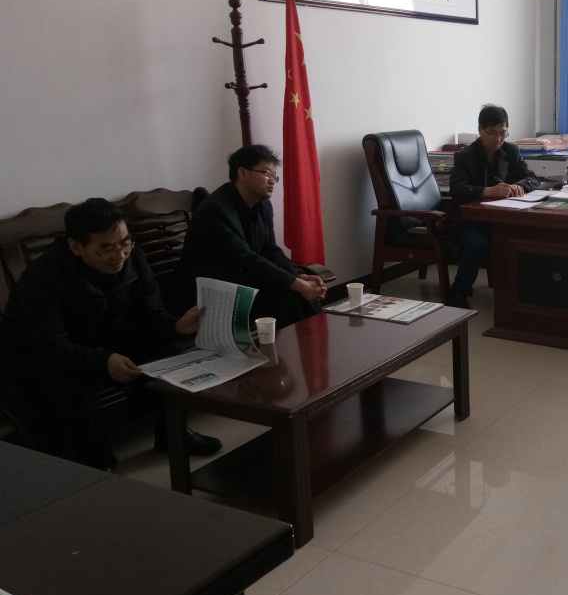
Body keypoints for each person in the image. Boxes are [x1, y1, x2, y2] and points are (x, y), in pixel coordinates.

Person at [0, 198, 221, 470]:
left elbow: (150, 315)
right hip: (35, 355)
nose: (119, 255)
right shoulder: (43, 278)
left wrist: (175, 325)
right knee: (67, 380)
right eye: (106, 248)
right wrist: (103, 360)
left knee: (164, 345)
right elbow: (49, 344)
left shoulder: (133, 259)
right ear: (76, 247)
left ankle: (172, 434)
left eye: (125, 243)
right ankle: (97, 464)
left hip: (97, 336)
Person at [176, 144, 326, 328]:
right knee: (288, 295)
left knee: (291, 293)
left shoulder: (263, 205)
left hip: (244, 283)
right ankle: (315, 338)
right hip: (213, 293)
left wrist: (299, 276)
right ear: (243, 173)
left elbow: (270, 251)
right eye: (267, 173)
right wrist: (297, 284)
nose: (272, 181)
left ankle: (319, 338)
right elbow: (246, 258)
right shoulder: (214, 211)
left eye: (274, 176)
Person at [445, 104, 539, 309]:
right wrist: (488, 191)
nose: (498, 139)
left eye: (503, 133)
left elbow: (532, 178)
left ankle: (524, 295)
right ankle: (458, 292)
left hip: (499, 218)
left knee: (526, 238)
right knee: (478, 243)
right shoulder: (465, 156)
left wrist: (519, 186)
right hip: (466, 221)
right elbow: (457, 189)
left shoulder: (511, 151)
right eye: (492, 133)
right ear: (480, 130)